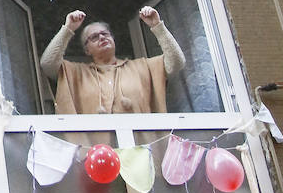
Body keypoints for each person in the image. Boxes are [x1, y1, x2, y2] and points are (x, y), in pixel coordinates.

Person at [40, 7, 187, 116]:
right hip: (94, 154)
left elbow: (177, 62)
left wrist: (157, 26)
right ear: (87, 50)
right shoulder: (77, 73)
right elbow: (48, 63)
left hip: (140, 152)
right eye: (94, 37)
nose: (102, 38)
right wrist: (68, 29)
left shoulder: (142, 67)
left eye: (105, 34)